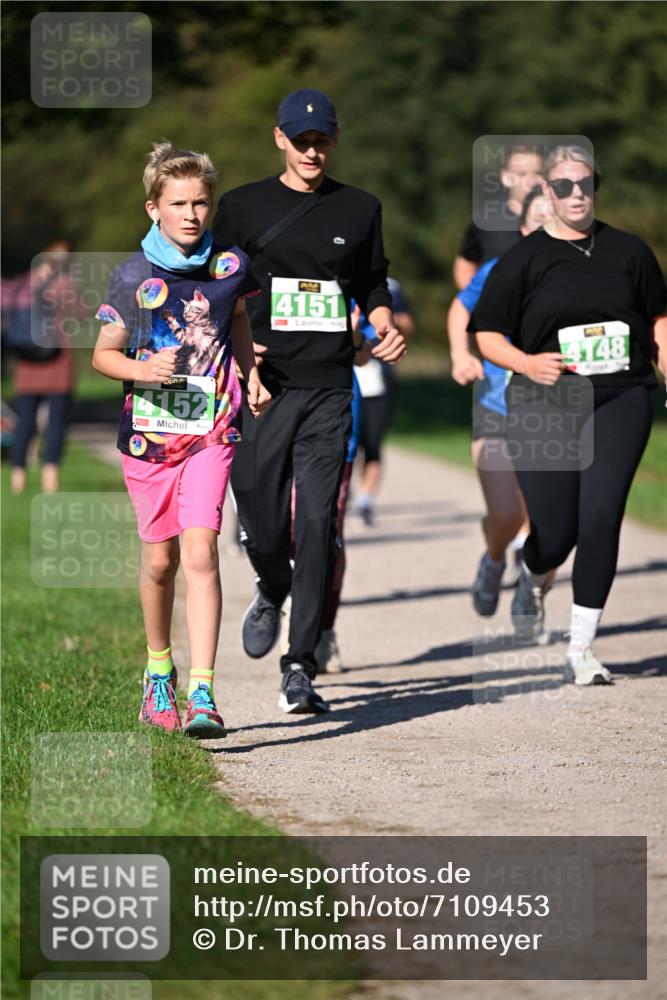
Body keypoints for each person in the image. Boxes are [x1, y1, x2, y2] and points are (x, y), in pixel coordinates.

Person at [212, 88, 407, 714]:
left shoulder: (360, 207)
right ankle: (272, 586)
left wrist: (383, 320)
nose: (312, 150)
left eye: (322, 139)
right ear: (280, 139)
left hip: (329, 385)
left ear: (335, 138)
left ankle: (300, 663)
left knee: (319, 522)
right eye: (301, 140)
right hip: (264, 387)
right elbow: (216, 290)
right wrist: (236, 359)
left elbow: (371, 279)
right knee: (262, 524)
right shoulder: (241, 207)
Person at [470, 145, 666, 684]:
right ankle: (533, 577)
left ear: (595, 188)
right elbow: (486, 334)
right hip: (544, 400)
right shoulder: (523, 259)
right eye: (563, 186)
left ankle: (581, 649)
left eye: (584, 184)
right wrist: (527, 363)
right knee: (556, 534)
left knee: (602, 515)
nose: (575, 194)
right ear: (546, 194)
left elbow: (657, 319)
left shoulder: (629, 251)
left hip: (620, 396)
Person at [92, 141, 270, 737]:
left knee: (200, 552)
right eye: (179, 203)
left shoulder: (231, 267)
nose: (193, 213)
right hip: (150, 437)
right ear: (153, 208)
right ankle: (159, 672)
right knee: (160, 560)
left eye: (201, 202)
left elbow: (237, 320)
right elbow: (103, 355)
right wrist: (143, 370)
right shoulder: (132, 275)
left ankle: (202, 692)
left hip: (212, 430)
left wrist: (251, 373)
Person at [447, 187, 551, 617]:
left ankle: (533, 587)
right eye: (539, 218)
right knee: (507, 514)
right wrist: (459, 353)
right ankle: (492, 562)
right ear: (524, 228)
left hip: (558, 409)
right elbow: (460, 307)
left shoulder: (587, 272)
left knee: (550, 521)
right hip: (497, 404)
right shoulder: (499, 268)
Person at [3, 242, 77, 494]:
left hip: (26, 365)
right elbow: (82, 313)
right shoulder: (65, 285)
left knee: (24, 423)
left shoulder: (23, 283)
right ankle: (50, 481)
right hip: (58, 364)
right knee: (55, 423)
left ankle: (17, 480)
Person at [354, 277, 414, 526]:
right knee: (344, 444)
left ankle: (365, 501)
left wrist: (394, 326)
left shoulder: (393, 287)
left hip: (377, 376)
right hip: (342, 372)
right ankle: (340, 488)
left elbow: (407, 323)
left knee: (373, 443)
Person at [453, 144, 543, 290]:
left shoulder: (560, 219)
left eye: (538, 173)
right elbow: (465, 263)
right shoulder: (486, 220)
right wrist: (477, 301)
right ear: (506, 177)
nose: (531, 181)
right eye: (522, 174)